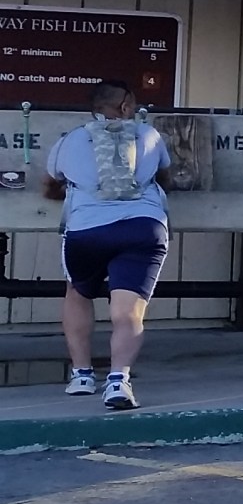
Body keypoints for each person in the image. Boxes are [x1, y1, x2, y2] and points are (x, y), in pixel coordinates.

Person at [42, 80, 172, 410]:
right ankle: (118, 382)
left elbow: (51, 182)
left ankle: (82, 375)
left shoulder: (70, 139)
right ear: (126, 107)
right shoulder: (149, 135)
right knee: (128, 309)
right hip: (143, 227)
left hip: (87, 229)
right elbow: (166, 176)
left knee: (78, 292)